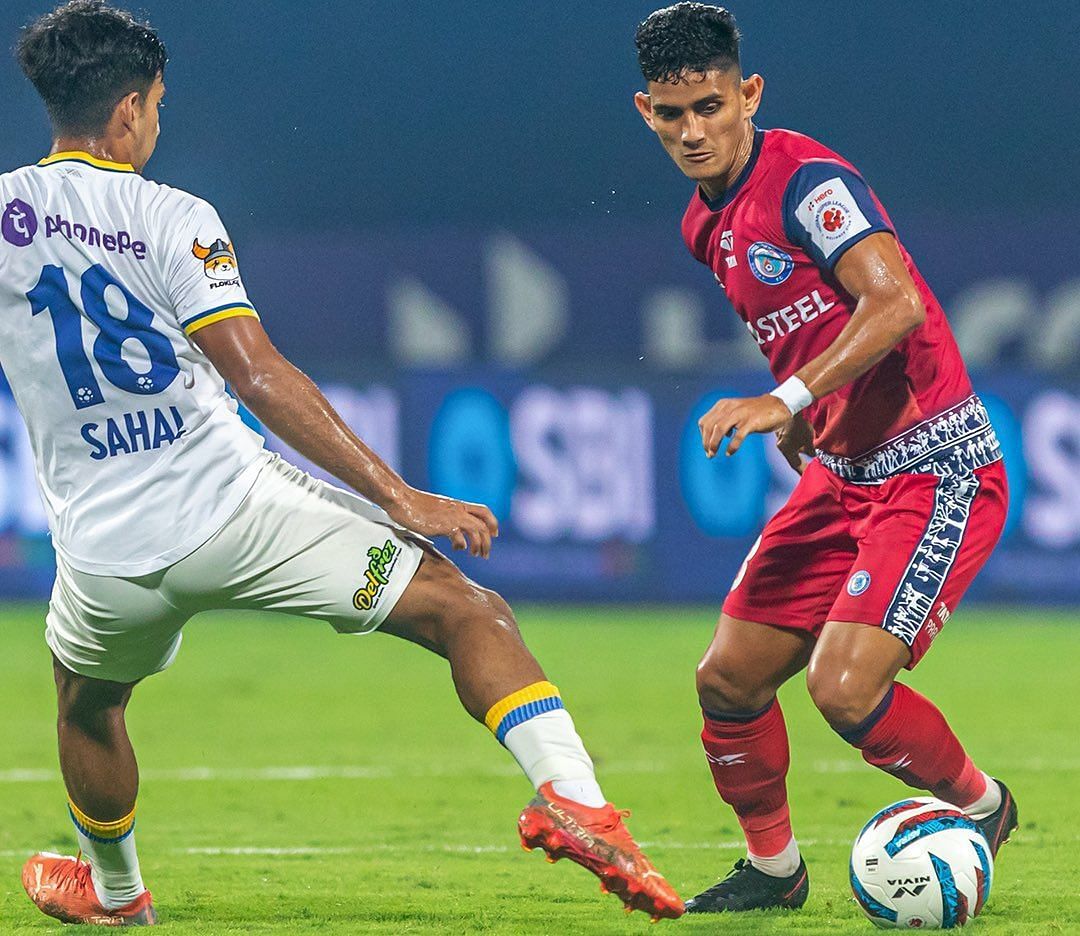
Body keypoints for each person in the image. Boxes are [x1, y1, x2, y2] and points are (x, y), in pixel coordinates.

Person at [2, 0, 684, 925]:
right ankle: (575, 798)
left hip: (105, 559)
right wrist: (398, 495)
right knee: (465, 609)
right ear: (128, 110)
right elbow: (258, 374)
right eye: (156, 105)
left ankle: (117, 896)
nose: (156, 122)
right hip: (235, 513)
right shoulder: (172, 216)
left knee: (86, 708)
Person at [632, 2, 1017, 913]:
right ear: (645, 111)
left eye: (712, 107)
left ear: (749, 93)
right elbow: (803, 325)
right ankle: (774, 873)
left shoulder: (807, 180)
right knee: (726, 680)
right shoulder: (703, 225)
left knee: (841, 689)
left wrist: (784, 401)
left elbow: (893, 307)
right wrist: (807, 417)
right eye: (672, 113)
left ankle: (984, 810)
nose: (694, 131)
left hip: (935, 466)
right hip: (838, 477)